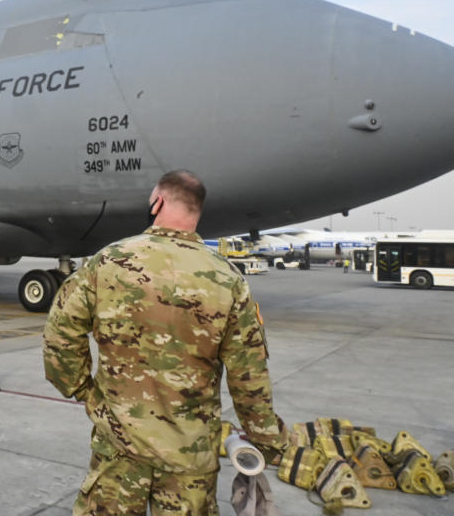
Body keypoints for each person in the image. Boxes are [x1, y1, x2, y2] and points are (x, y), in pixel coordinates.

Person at [43, 170, 289, 515]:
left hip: (119, 445)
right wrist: (265, 440)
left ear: (157, 203)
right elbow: (249, 373)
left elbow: (59, 334)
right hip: (190, 456)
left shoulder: (108, 261)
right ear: (197, 212)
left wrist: (85, 392)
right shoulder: (227, 279)